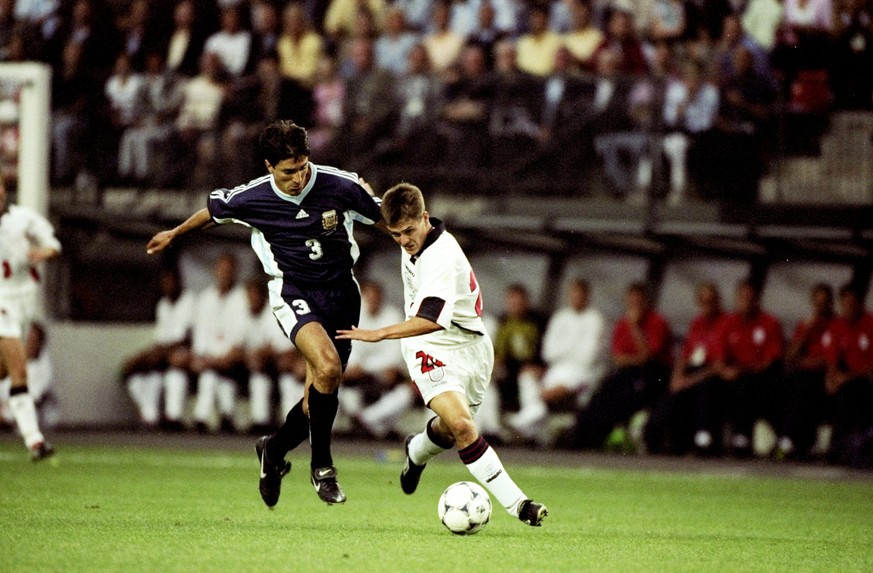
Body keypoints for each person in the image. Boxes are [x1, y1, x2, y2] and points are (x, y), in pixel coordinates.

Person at [146, 119, 382, 507]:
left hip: (342, 294)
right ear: (270, 166)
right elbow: (212, 210)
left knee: (317, 397)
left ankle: (273, 451)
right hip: (294, 292)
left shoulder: (339, 185)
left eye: (303, 166)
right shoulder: (252, 197)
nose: (298, 177)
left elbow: (384, 218)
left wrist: (419, 234)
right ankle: (322, 468)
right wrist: (174, 233)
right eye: (288, 171)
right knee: (327, 368)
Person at [337, 182, 548, 527]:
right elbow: (383, 217)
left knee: (451, 432)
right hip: (428, 347)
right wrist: (364, 194)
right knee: (464, 426)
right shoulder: (409, 228)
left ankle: (416, 450)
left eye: (408, 232)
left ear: (424, 218)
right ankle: (521, 505)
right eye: (395, 235)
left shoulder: (442, 257)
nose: (403, 241)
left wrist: (379, 333)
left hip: (469, 347)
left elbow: (431, 319)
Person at [565, 282, 672, 451]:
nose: (634, 306)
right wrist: (634, 359)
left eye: (638, 302)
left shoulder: (656, 322)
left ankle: (599, 438)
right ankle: (580, 439)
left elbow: (647, 357)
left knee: (622, 401)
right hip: (627, 373)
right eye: (631, 302)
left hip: (652, 375)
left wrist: (635, 328)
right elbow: (618, 358)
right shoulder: (622, 324)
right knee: (600, 397)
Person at [0, 171, 60, 460]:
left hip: (24, 303)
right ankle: (35, 440)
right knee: (19, 368)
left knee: (5, 370)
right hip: (1, 304)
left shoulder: (22, 220)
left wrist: (43, 252)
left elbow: (53, 243)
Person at [507, 278, 608, 444]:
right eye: (573, 294)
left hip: (582, 374)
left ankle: (522, 422)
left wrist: (563, 349)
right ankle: (532, 422)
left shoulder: (595, 319)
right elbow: (548, 352)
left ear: (586, 296)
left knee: (549, 393)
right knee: (527, 374)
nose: (576, 298)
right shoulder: (560, 317)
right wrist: (572, 348)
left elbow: (588, 356)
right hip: (556, 369)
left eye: (580, 294)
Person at [644, 282, 728, 456]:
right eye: (703, 302)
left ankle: (703, 444)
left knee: (704, 393)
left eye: (710, 301)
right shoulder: (696, 323)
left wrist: (689, 381)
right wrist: (677, 377)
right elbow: (684, 355)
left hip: (708, 377)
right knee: (667, 401)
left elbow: (719, 365)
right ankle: (658, 443)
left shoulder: (725, 323)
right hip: (690, 374)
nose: (707, 306)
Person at [714, 279, 784, 457]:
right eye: (742, 298)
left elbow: (770, 360)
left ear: (757, 300)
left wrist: (743, 371)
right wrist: (726, 371)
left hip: (759, 379)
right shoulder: (727, 323)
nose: (746, 302)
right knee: (711, 386)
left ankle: (742, 439)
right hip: (732, 378)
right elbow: (720, 358)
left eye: (749, 298)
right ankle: (706, 440)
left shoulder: (770, 323)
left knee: (745, 385)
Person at [122, 267, 195, 431]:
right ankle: (150, 416)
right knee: (138, 376)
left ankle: (173, 418)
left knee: (174, 376)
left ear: (178, 283)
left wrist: (158, 354)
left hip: (181, 356)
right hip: (163, 357)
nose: (168, 286)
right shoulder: (162, 305)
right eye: (165, 282)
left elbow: (185, 339)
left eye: (171, 282)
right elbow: (160, 340)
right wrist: (144, 356)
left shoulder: (188, 301)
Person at [774, 282, 840, 460]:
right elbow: (790, 357)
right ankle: (788, 441)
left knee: (804, 390)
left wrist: (812, 362)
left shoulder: (837, 325)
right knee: (787, 388)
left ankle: (791, 442)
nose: (820, 307)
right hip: (804, 375)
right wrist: (807, 331)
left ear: (830, 303)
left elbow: (833, 358)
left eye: (824, 303)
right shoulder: (806, 325)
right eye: (817, 303)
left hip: (826, 376)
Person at [189, 252, 250, 434]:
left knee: (217, 375)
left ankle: (209, 416)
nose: (224, 274)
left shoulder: (242, 298)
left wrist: (219, 360)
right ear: (215, 271)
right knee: (209, 377)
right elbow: (200, 335)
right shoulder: (205, 298)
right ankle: (218, 416)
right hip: (209, 360)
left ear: (235, 272)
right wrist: (202, 358)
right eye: (221, 270)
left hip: (233, 361)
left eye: (228, 270)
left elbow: (241, 338)